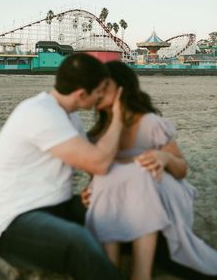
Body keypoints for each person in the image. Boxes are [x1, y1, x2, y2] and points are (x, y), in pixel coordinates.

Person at [0, 54, 126, 280]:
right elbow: (99, 163)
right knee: (78, 241)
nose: (101, 95)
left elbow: (93, 163)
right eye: (99, 90)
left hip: (57, 208)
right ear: (81, 94)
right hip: (15, 226)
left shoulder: (69, 117)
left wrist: (95, 190)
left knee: (116, 211)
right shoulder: (39, 113)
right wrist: (119, 115)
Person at [84, 61, 217, 280]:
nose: (96, 92)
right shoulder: (97, 135)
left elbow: (182, 170)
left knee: (140, 173)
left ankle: (141, 273)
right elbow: (97, 178)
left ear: (121, 89)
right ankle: (110, 268)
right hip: (121, 198)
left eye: (103, 86)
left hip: (164, 190)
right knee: (108, 181)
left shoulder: (150, 123)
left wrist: (164, 157)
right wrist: (90, 191)